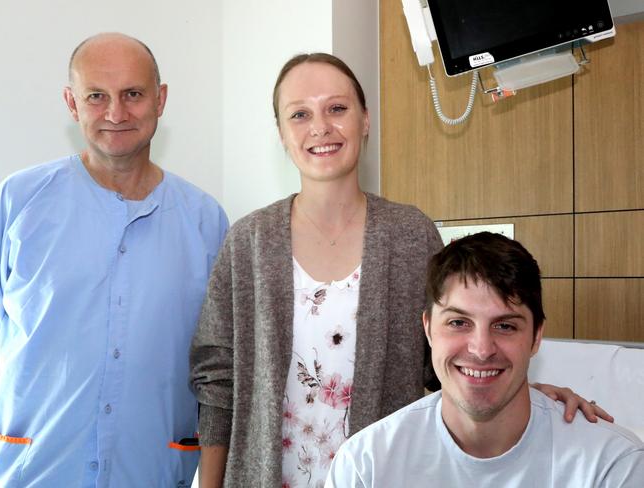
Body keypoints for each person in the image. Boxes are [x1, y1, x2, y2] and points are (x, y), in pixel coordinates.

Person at [189, 53, 608, 488]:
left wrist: (528, 397)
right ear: (281, 133)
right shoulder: (248, 241)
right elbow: (218, 382)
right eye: (300, 114)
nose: (320, 127)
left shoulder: (411, 233)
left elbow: (450, 356)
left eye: (337, 108)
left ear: (365, 120)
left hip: (386, 476)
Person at [0, 33, 228, 487]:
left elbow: (217, 371)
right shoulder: (18, 202)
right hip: (34, 472)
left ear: (160, 100)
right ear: (71, 102)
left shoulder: (206, 222)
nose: (115, 114)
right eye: (96, 96)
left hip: (151, 473)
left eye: (133, 95)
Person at [326, 232, 644, 487]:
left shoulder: (611, 467)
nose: (481, 349)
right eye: (458, 323)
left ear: (536, 337)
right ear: (428, 329)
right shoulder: (365, 466)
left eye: (505, 326)